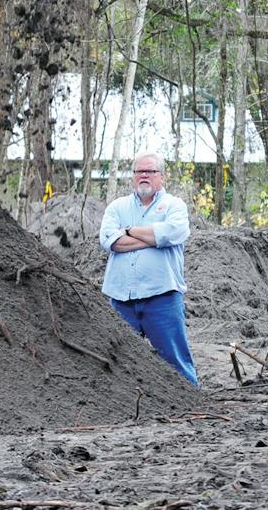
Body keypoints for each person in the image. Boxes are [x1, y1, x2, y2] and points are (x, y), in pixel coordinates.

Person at [99, 151, 198, 385]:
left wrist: (128, 230)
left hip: (161, 297)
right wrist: (153, 236)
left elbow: (172, 232)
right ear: (133, 176)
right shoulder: (117, 207)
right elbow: (108, 241)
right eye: (139, 171)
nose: (144, 175)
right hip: (122, 299)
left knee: (175, 360)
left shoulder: (174, 205)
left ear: (161, 176)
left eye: (150, 171)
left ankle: (192, 403)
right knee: (118, 360)